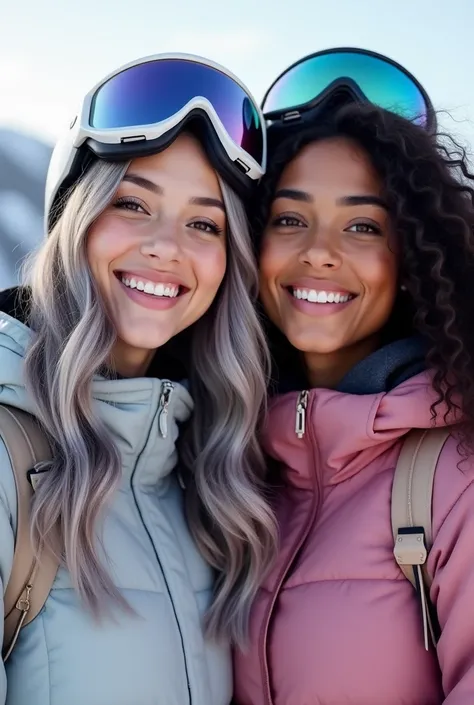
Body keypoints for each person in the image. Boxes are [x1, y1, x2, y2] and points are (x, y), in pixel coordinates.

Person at [0, 53, 277, 705]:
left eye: (204, 222)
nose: (166, 245)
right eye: (133, 203)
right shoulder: (9, 450)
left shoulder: (204, 476)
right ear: (77, 220)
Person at [233, 50, 474, 705]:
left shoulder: (456, 477)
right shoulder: (219, 462)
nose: (320, 250)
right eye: (289, 218)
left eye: (363, 225)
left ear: (412, 255)